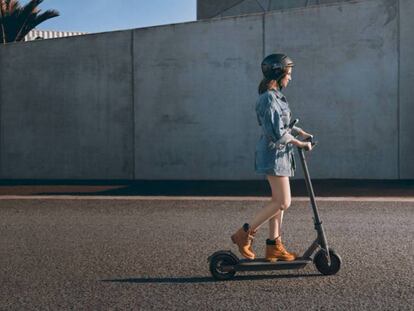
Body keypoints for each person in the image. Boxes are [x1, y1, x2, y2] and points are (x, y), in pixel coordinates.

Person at [231, 54, 313, 262]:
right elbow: (276, 132)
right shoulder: (268, 98)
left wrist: (301, 132)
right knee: (284, 201)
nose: (291, 78)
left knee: (278, 202)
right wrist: (300, 143)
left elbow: (284, 124)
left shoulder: (276, 96)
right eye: (289, 74)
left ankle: (273, 245)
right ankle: (244, 234)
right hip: (273, 153)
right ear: (279, 73)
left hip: (281, 155)